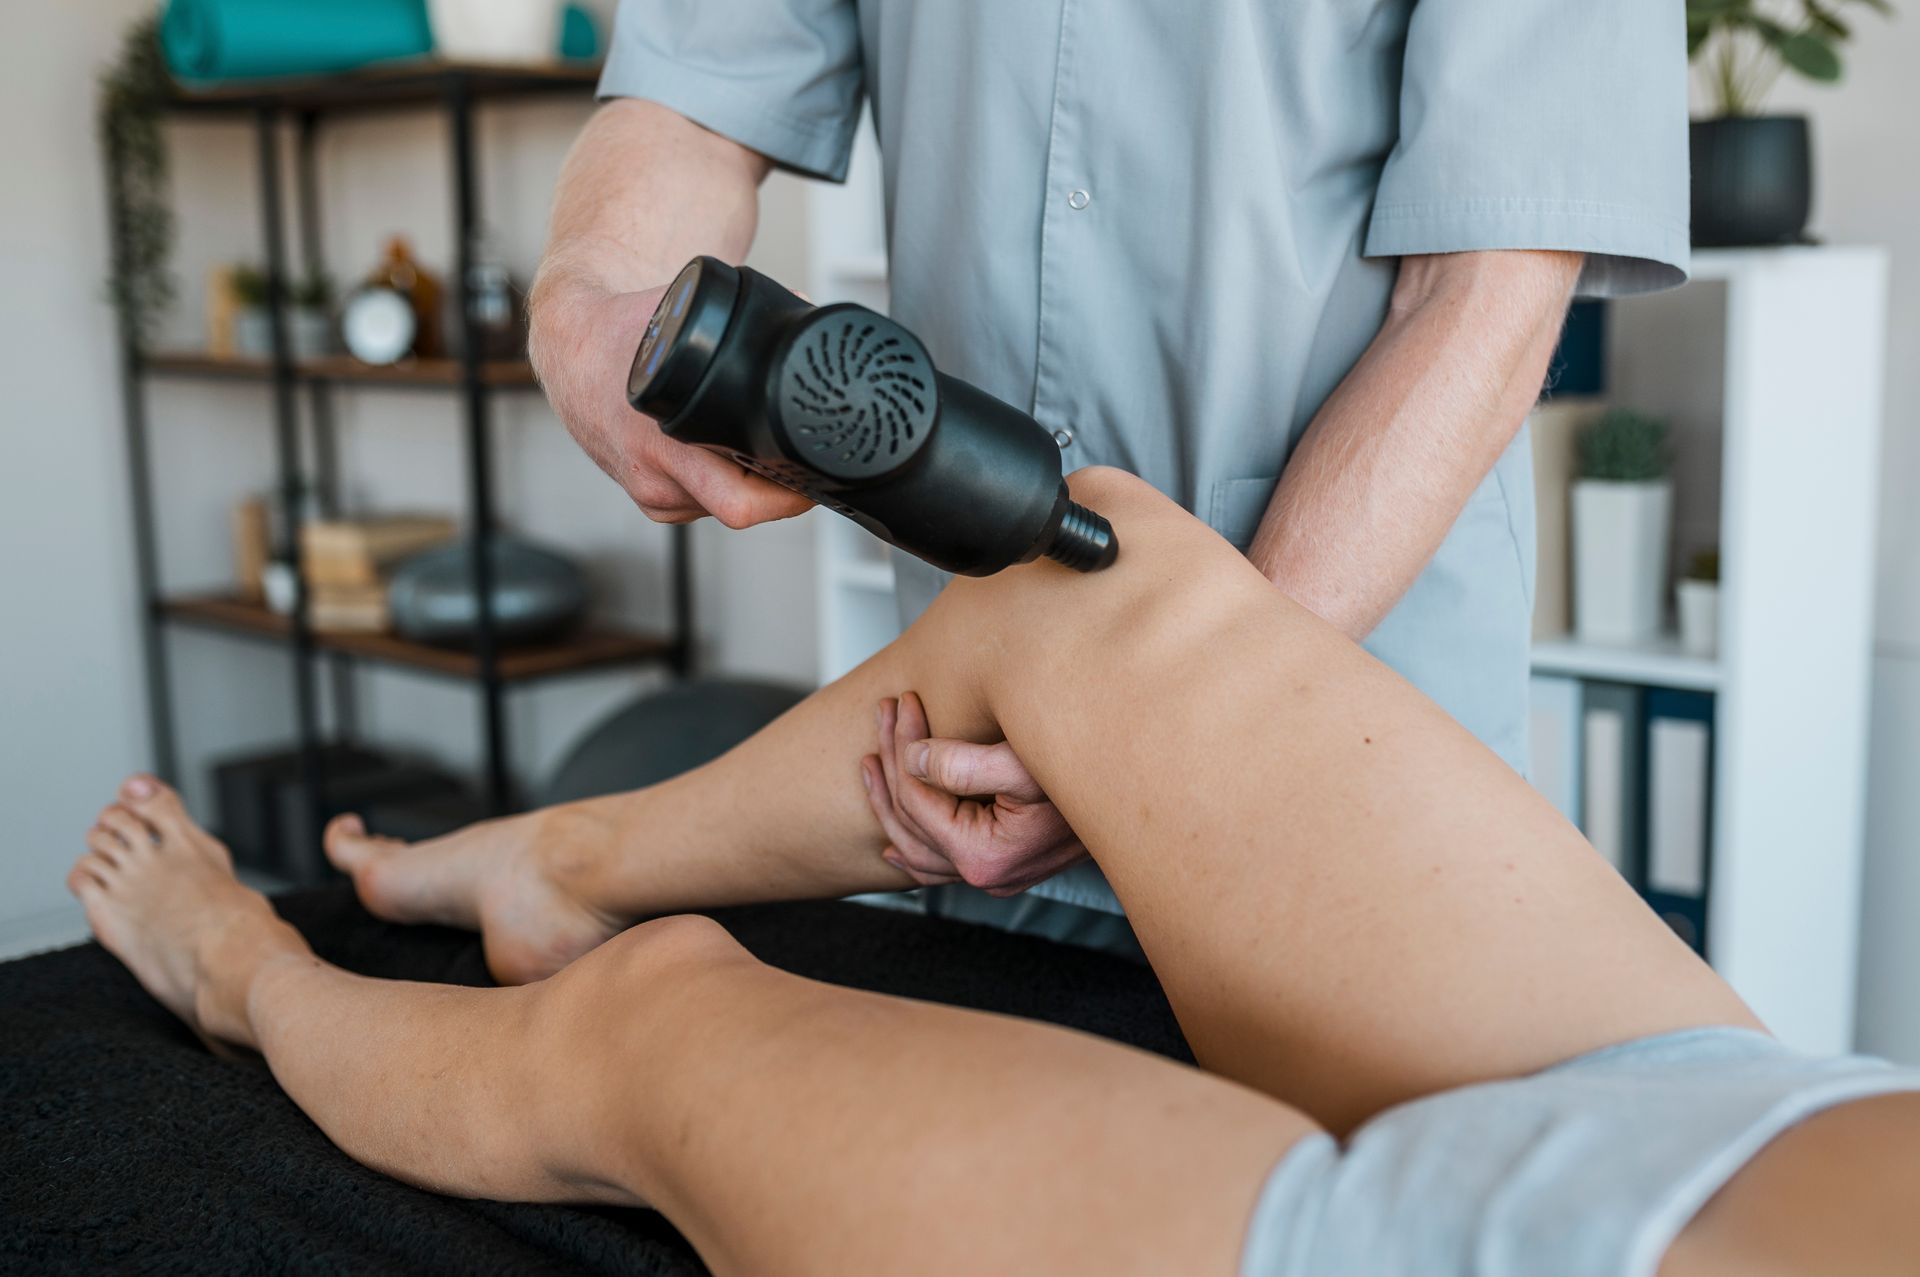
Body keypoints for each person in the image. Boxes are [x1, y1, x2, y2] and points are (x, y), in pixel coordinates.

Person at [72, 470, 1920, 1275]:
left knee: (656, 1018)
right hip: (1724, 1104)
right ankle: (565, 857)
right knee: (1090, 576)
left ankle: (240, 970)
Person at [515, 0, 1690, 949]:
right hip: (972, 760)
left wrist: (1153, 724)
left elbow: (1488, 287)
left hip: (1338, 734)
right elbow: (698, 95)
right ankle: (531, 868)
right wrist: (587, 291)